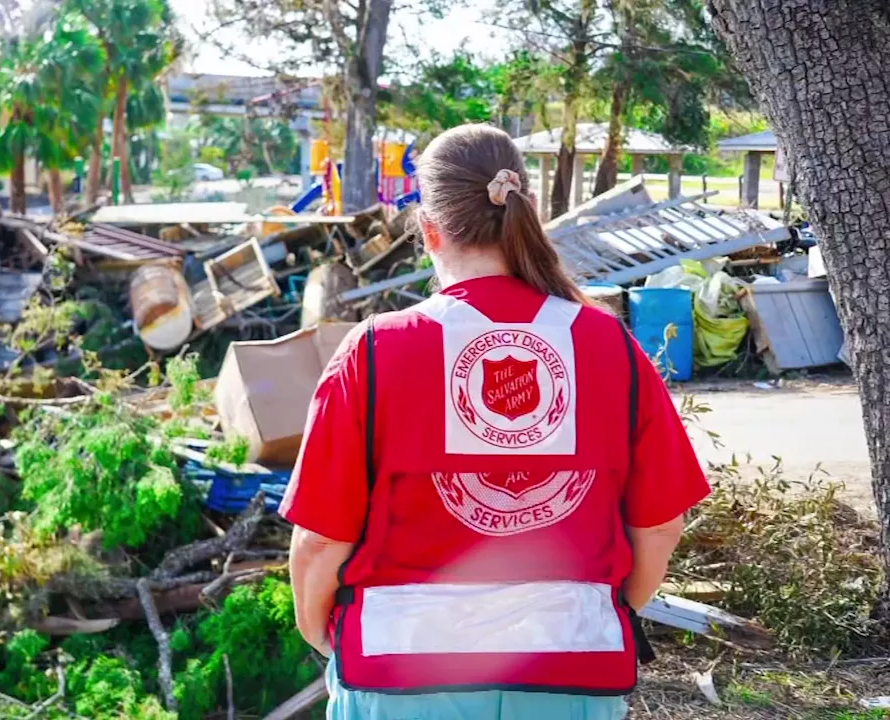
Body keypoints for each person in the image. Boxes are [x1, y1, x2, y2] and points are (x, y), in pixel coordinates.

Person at [281, 124, 710, 720]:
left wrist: (320, 633)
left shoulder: (376, 350)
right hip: (573, 669)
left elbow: (322, 539)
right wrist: (604, 610)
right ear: (524, 212)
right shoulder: (608, 342)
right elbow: (662, 524)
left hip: (400, 669)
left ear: (428, 230)